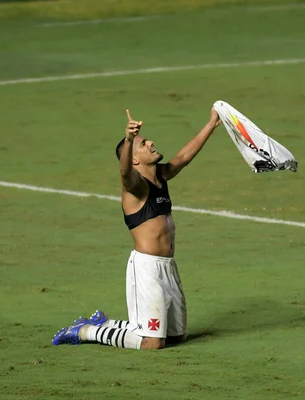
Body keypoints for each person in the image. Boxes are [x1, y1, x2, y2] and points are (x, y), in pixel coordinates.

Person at [51, 107, 221, 350]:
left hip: (168, 266)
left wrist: (211, 124)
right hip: (147, 269)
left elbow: (183, 158)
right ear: (134, 158)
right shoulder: (135, 188)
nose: (151, 142)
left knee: (176, 338)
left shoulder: (160, 177)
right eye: (143, 143)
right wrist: (129, 139)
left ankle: (106, 322)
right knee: (152, 343)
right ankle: (88, 331)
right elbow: (124, 172)